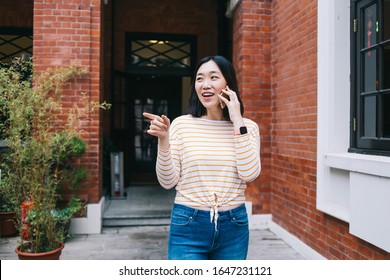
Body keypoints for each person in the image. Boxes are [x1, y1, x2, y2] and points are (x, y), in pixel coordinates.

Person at [143, 55, 261, 260]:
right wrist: (164, 140)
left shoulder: (247, 127)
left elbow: (249, 174)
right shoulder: (181, 125)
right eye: (199, 78)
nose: (205, 85)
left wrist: (236, 120)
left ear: (228, 84)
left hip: (234, 226)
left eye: (214, 77)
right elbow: (167, 182)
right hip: (188, 223)